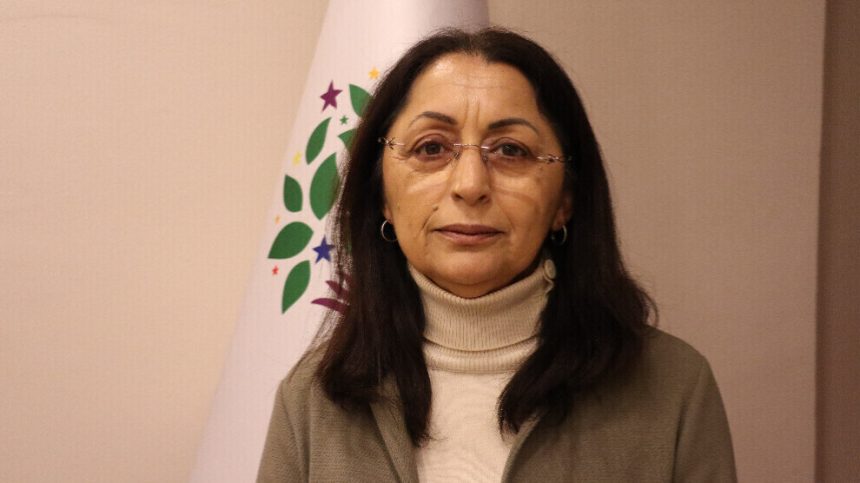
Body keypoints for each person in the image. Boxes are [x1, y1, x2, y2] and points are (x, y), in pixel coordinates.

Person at [258, 28, 736, 482]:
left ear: (565, 200)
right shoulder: (312, 400)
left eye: (510, 150)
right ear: (382, 192)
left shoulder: (674, 388)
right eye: (431, 147)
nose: (470, 185)